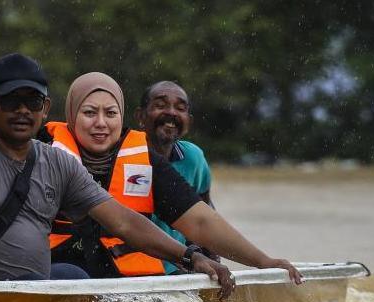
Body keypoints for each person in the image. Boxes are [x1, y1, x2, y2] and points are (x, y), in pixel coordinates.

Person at [0, 53, 235, 302]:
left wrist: (191, 257)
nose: (22, 110)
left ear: (45, 109)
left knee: (76, 279)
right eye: (11, 101)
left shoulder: (57, 161)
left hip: (37, 285)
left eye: (32, 101)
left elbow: (125, 221)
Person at [41, 72, 302, 284]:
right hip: (59, 271)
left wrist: (262, 261)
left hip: (125, 277)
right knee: (69, 275)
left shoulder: (145, 160)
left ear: (122, 118)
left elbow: (200, 221)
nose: (101, 123)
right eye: (89, 113)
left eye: (110, 114)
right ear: (72, 116)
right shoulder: (42, 150)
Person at [134, 81, 217, 274]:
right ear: (140, 116)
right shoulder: (124, 155)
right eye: (160, 105)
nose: (171, 113)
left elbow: (205, 215)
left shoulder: (194, 158)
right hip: (129, 269)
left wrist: (212, 259)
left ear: (189, 121)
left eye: (180, 108)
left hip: (176, 269)